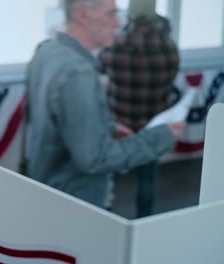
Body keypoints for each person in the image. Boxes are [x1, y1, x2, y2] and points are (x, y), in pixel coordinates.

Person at [26, 0, 185, 208]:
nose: (118, 24)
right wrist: (160, 137)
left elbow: (53, 118)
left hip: (48, 190)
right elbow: (95, 160)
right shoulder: (78, 73)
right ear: (82, 15)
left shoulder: (46, 52)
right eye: (110, 14)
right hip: (74, 202)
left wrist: (106, 128)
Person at [100, 0, 179, 217]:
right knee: (147, 180)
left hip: (119, 127)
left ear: (129, 17)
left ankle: (104, 219)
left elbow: (99, 63)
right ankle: (144, 223)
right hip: (152, 127)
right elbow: (171, 79)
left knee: (109, 180)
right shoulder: (169, 48)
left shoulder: (116, 45)